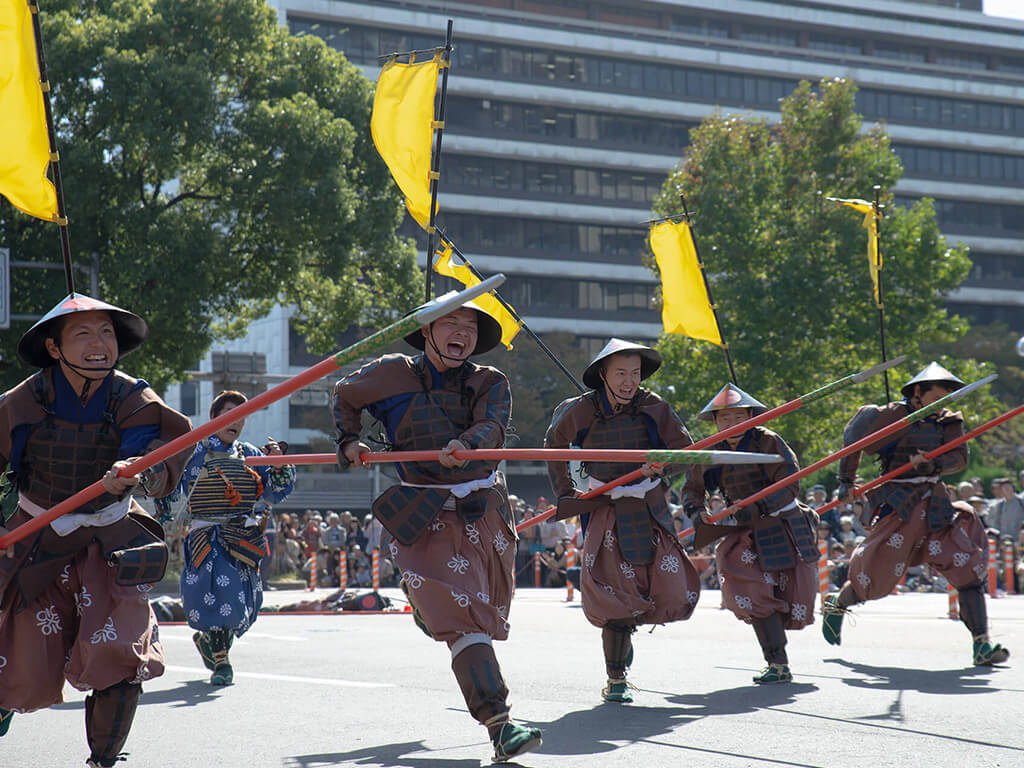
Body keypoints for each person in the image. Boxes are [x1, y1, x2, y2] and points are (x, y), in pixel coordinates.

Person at [332, 292, 541, 762]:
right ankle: (499, 724)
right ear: (426, 329)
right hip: (422, 513)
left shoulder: (491, 381)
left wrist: (465, 444)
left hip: (483, 511)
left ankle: (429, 607)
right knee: (464, 620)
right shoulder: (388, 374)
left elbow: (492, 427)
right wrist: (348, 441)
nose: (461, 332)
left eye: (470, 326)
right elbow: (344, 395)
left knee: (478, 615)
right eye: (450, 322)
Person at [0, 294, 192, 766]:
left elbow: (154, 448)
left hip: (109, 539)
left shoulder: (133, 397)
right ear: (54, 348)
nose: (99, 344)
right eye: (83, 333)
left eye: (107, 333)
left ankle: (103, 760)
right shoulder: (20, 401)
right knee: (15, 658)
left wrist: (137, 469)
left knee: (121, 656)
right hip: (36, 537)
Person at [544, 338, 700, 703]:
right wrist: (566, 494)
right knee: (613, 592)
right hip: (603, 507)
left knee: (658, 584)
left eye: (635, 373)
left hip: (648, 506)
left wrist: (664, 465)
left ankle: (624, 635)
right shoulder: (579, 410)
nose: (629, 382)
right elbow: (553, 447)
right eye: (620, 374)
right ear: (603, 374)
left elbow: (687, 452)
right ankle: (616, 679)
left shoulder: (655, 406)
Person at [824, 362, 1010, 666]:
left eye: (947, 397)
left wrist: (933, 465)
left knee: (967, 568)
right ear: (918, 392)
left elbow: (958, 459)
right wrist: (846, 481)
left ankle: (981, 644)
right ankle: (838, 602)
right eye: (937, 396)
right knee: (875, 576)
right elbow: (854, 441)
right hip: (899, 503)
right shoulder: (891, 415)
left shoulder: (949, 422)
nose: (943, 403)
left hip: (936, 505)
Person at [684, 383, 819, 684]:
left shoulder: (768, 441)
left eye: (738, 417)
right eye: (725, 418)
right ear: (715, 421)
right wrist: (697, 511)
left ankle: (779, 661)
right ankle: (777, 663)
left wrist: (757, 507)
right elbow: (692, 489)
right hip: (743, 527)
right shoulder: (710, 450)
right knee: (752, 590)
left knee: (791, 592)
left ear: (750, 417)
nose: (731, 423)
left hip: (781, 521)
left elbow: (790, 484)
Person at [161, 390, 295, 685]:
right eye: (230, 415)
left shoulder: (251, 453)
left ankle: (211, 644)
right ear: (213, 417)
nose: (236, 422)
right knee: (219, 595)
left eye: (242, 417)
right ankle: (222, 662)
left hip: (242, 537)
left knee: (242, 601)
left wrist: (278, 465)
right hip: (206, 537)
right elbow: (165, 481)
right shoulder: (191, 451)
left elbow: (274, 492)